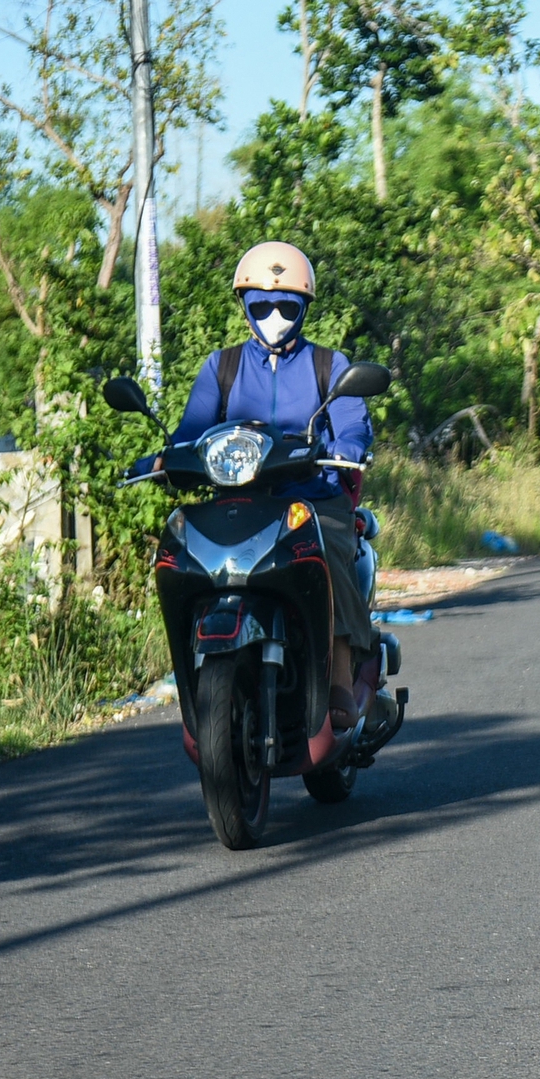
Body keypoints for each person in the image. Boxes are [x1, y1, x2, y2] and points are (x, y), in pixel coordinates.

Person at [166, 241, 377, 730]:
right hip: (240, 497)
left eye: (287, 305)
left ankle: (341, 673)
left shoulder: (328, 365)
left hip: (314, 497)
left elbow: (352, 425)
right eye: (262, 305)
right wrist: (166, 453)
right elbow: (191, 427)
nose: (275, 315)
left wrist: (346, 447)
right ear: (245, 307)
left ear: (304, 308)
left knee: (331, 550)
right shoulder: (222, 367)